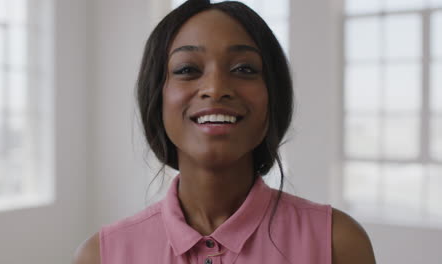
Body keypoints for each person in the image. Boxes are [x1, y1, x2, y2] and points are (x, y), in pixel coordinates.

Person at [74, 0, 376, 263]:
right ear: (156, 97)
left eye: (244, 69)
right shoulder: (100, 256)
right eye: (187, 70)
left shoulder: (339, 244)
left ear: (273, 95)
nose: (216, 89)